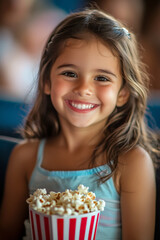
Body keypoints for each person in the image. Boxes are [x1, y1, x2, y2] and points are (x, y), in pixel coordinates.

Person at [0, 8, 159, 240]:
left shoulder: (131, 163)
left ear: (123, 93)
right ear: (46, 82)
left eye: (102, 78)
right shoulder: (25, 157)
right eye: (69, 73)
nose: (84, 88)